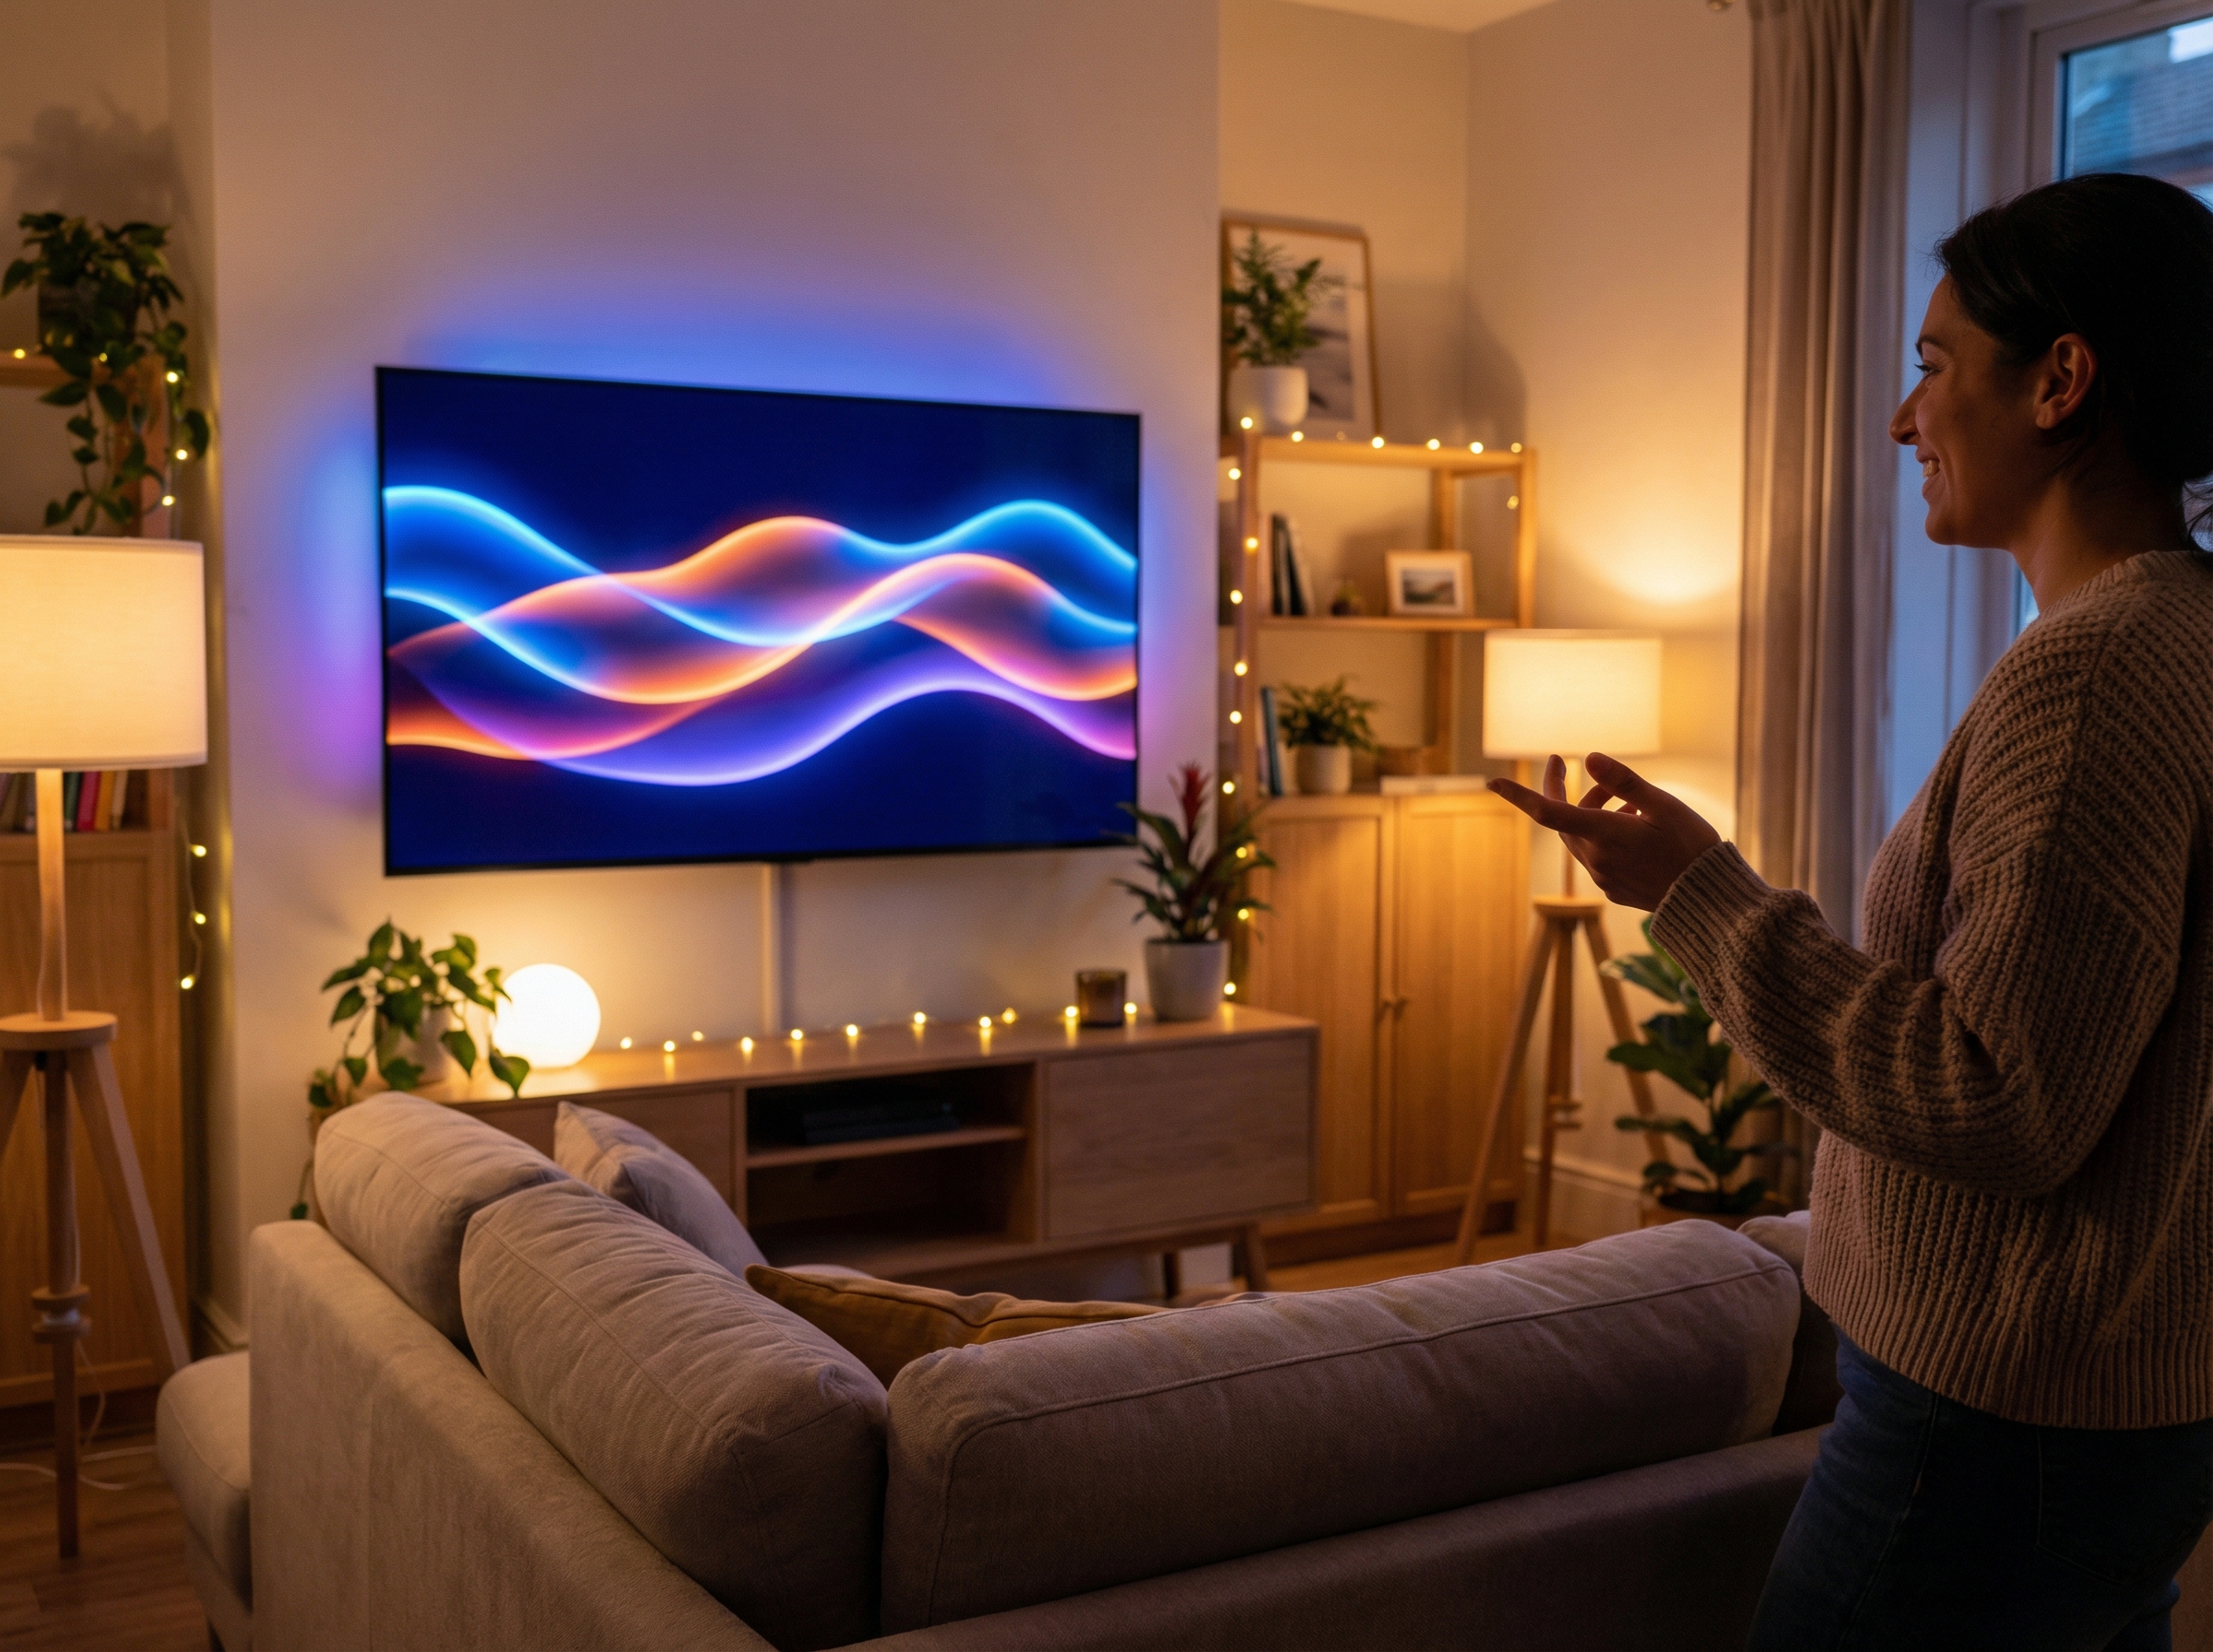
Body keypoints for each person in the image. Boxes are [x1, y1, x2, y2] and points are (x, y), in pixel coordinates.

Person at [1490, 171, 2213, 1650]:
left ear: (2062, 380)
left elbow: (1995, 1095)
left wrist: (1699, 897)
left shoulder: (2093, 676)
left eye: (1935, 369)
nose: (1903, 422)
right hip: (2107, 1395)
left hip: (1997, 1414)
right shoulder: (2177, 632)